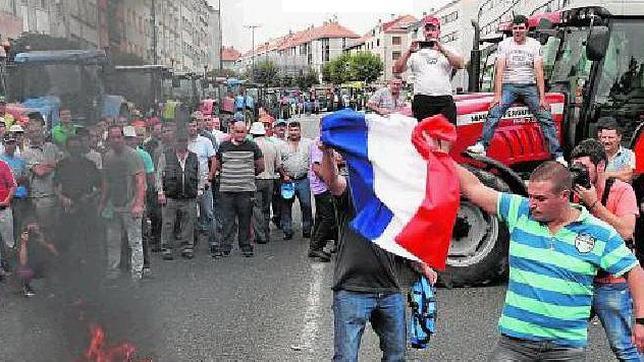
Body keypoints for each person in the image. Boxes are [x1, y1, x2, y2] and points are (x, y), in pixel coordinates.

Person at [454, 156, 644, 359]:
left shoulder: (599, 232)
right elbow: (473, 187)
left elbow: (633, 270)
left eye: (540, 199)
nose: (532, 204)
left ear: (564, 196)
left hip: (566, 349)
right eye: (531, 196)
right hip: (514, 344)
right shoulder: (519, 210)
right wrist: (438, 155)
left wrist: (641, 321)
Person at [316, 139, 436, 361]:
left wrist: (419, 263)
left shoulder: (396, 201)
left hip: (389, 290)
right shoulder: (351, 192)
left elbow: (403, 240)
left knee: (396, 356)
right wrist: (327, 153)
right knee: (346, 357)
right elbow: (332, 181)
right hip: (351, 289)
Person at [570, 139, 642, 361]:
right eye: (574, 167)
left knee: (623, 346)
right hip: (579, 278)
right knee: (560, 340)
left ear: (601, 166)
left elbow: (626, 231)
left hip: (611, 282)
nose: (578, 172)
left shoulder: (622, 190)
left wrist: (593, 204)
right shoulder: (573, 190)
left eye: (583, 167)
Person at [467, 15, 565, 165]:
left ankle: (558, 156)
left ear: (526, 29)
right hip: (509, 86)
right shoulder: (505, 45)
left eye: (521, 28)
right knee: (495, 111)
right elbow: (500, 69)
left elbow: (538, 70)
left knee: (545, 117)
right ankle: (482, 145)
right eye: (515, 28)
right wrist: (497, 95)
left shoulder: (534, 45)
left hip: (528, 86)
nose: (518, 31)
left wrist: (542, 97)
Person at [393, 15, 465, 124]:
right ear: (423, 32)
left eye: (433, 29)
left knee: (447, 135)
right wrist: (409, 51)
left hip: (444, 98)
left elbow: (460, 64)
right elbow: (396, 70)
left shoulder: (447, 49)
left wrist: (442, 49)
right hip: (423, 99)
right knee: (424, 137)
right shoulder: (415, 52)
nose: (430, 33)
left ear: (439, 32)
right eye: (427, 30)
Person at [210, 121, 263, 257]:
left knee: (245, 219)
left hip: (245, 190)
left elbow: (260, 166)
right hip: (227, 190)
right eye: (237, 131)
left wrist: (248, 175)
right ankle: (225, 247)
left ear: (246, 132)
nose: (240, 134)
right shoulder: (224, 146)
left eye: (242, 131)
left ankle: (246, 246)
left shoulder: (252, 146)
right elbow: (218, 163)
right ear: (232, 131)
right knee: (227, 220)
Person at [100, 125, 146, 281]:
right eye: (113, 137)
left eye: (119, 137)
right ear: (109, 139)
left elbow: (140, 181)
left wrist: (138, 204)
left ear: (123, 138)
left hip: (130, 204)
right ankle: (113, 272)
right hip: (113, 205)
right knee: (112, 241)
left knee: (135, 241)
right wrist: (102, 203)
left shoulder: (133, 155)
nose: (116, 140)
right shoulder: (108, 157)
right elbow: (106, 182)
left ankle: (136, 275)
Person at [53, 136, 101, 279]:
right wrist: (62, 198)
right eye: (72, 147)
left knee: (87, 240)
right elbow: (55, 186)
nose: (75, 149)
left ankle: (88, 270)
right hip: (67, 208)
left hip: (86, 208)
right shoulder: (61, 165)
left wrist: (89, 197)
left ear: (81, 148)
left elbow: (100, 186)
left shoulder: (90, 164)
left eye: (77, 146)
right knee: (65, 240)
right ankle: (66, 270)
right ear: (67, 148)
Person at [156, 130, 199, 260]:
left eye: (184, 141)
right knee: (168, 223)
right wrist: (160, 192)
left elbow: (200, 174)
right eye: (179, 141)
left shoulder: (193, 156)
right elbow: (158, 175)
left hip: (189, 195)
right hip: (170, 195)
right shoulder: (166, 156)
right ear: (175, 142)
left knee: (188, 223)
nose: (182, 143)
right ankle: (166, 248)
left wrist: (200, 190)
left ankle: (187, 247)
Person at [21, 117, 63, 243]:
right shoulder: (27, 153)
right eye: (32, 132)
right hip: (41, 198)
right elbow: (40, 172)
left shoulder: (52, 147)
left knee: (58, 230)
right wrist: (55, 163)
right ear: (28, 134)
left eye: (38, 131)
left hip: (57, 195)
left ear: (43, 131)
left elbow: (64, 164)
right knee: (44, 232)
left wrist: (48, 165)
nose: (36, 134)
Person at [124, 126, 156, 275]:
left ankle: (145, 264)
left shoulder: (143, 155)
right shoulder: (117, 156)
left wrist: (145, 200)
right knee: (124, 235)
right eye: (126, 138)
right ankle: (127, 264)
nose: (129, 141)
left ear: (136, 139)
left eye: (131, 138)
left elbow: (150, 178)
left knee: (142, 233)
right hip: (122, 201)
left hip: (139, 199)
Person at [278, 121, 313, 240]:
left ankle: (307, 229)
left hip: (303, 180)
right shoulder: (282, 146)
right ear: (288, 131)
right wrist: (284, 175)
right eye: (292, 130)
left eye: (296, 130)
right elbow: (278, 163)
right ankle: (287, 231)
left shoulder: (307, 143)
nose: (294, 133)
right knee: (286, 206)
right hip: (287, 181)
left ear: (300, 131)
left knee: (306, 205)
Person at [188, 118, 217, 253]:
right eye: (189, 126)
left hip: (204, 183)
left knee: (208, 213)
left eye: (194, 126)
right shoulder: (184, 143)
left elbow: (213, 159)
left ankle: (214, 241)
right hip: (189, 185)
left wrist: (210, 178)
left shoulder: (205, 142)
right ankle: (191, 243)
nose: (192, 128)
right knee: (190, 215)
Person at [249, 122, 280, 244]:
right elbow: (278, 165)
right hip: (270, 179)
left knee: (257, 208)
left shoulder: (251, 145)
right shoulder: (272, 145)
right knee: (267, 207)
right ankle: (266, 232)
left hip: (256, 179)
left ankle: (260, 235)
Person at [0, 133, 26, 252]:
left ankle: (17, 251)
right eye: (8, 143)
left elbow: (23, 178)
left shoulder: (20, 160)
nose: (11, 145)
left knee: (18, 225)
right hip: (5, 200)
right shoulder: (1, 159)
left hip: (18, 197)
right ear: (4, 144)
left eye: (12, 142)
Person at [597, 117, 636, 183]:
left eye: (610, 137)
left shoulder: (629, 154)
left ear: (619, 137)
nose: (606, 141)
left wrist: (605, 174)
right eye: (604, 137)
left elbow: (626, 177)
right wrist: (618, 174)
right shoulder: (595, 154)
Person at [0, 152, 16, 277]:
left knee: (8, 242)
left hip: (4, 208)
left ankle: (11, 267)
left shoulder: (3, 165)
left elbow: (12, 186)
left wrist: (7, 200)